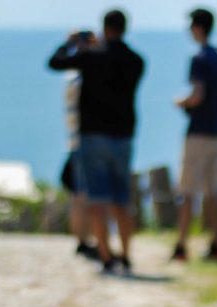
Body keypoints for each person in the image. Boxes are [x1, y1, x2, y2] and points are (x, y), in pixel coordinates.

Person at [48, 10, 145, 274]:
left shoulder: (91, 57)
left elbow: (55, 63)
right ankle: (126, 254)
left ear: (105, 28)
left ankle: (105, 255)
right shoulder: (136, 60)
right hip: (123, 136)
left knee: (98, 200)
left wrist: (71, 43)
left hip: (92, 136)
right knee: (122, 200)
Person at [173, 8, 217, 261]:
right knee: (213, 192)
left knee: (187, 190)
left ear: (198, 27)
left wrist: (182, 102)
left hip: (198, 131)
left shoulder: (199, 59)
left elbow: (196, 95)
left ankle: (181, 245)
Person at [60, 47, 98, 260]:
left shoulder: (70, 79)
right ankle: (86, 239)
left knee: (78, 196)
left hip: (74, 141)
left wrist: (70, 45)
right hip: (85, 142)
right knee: (85, 195)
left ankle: (82, 240)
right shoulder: (81, 79)